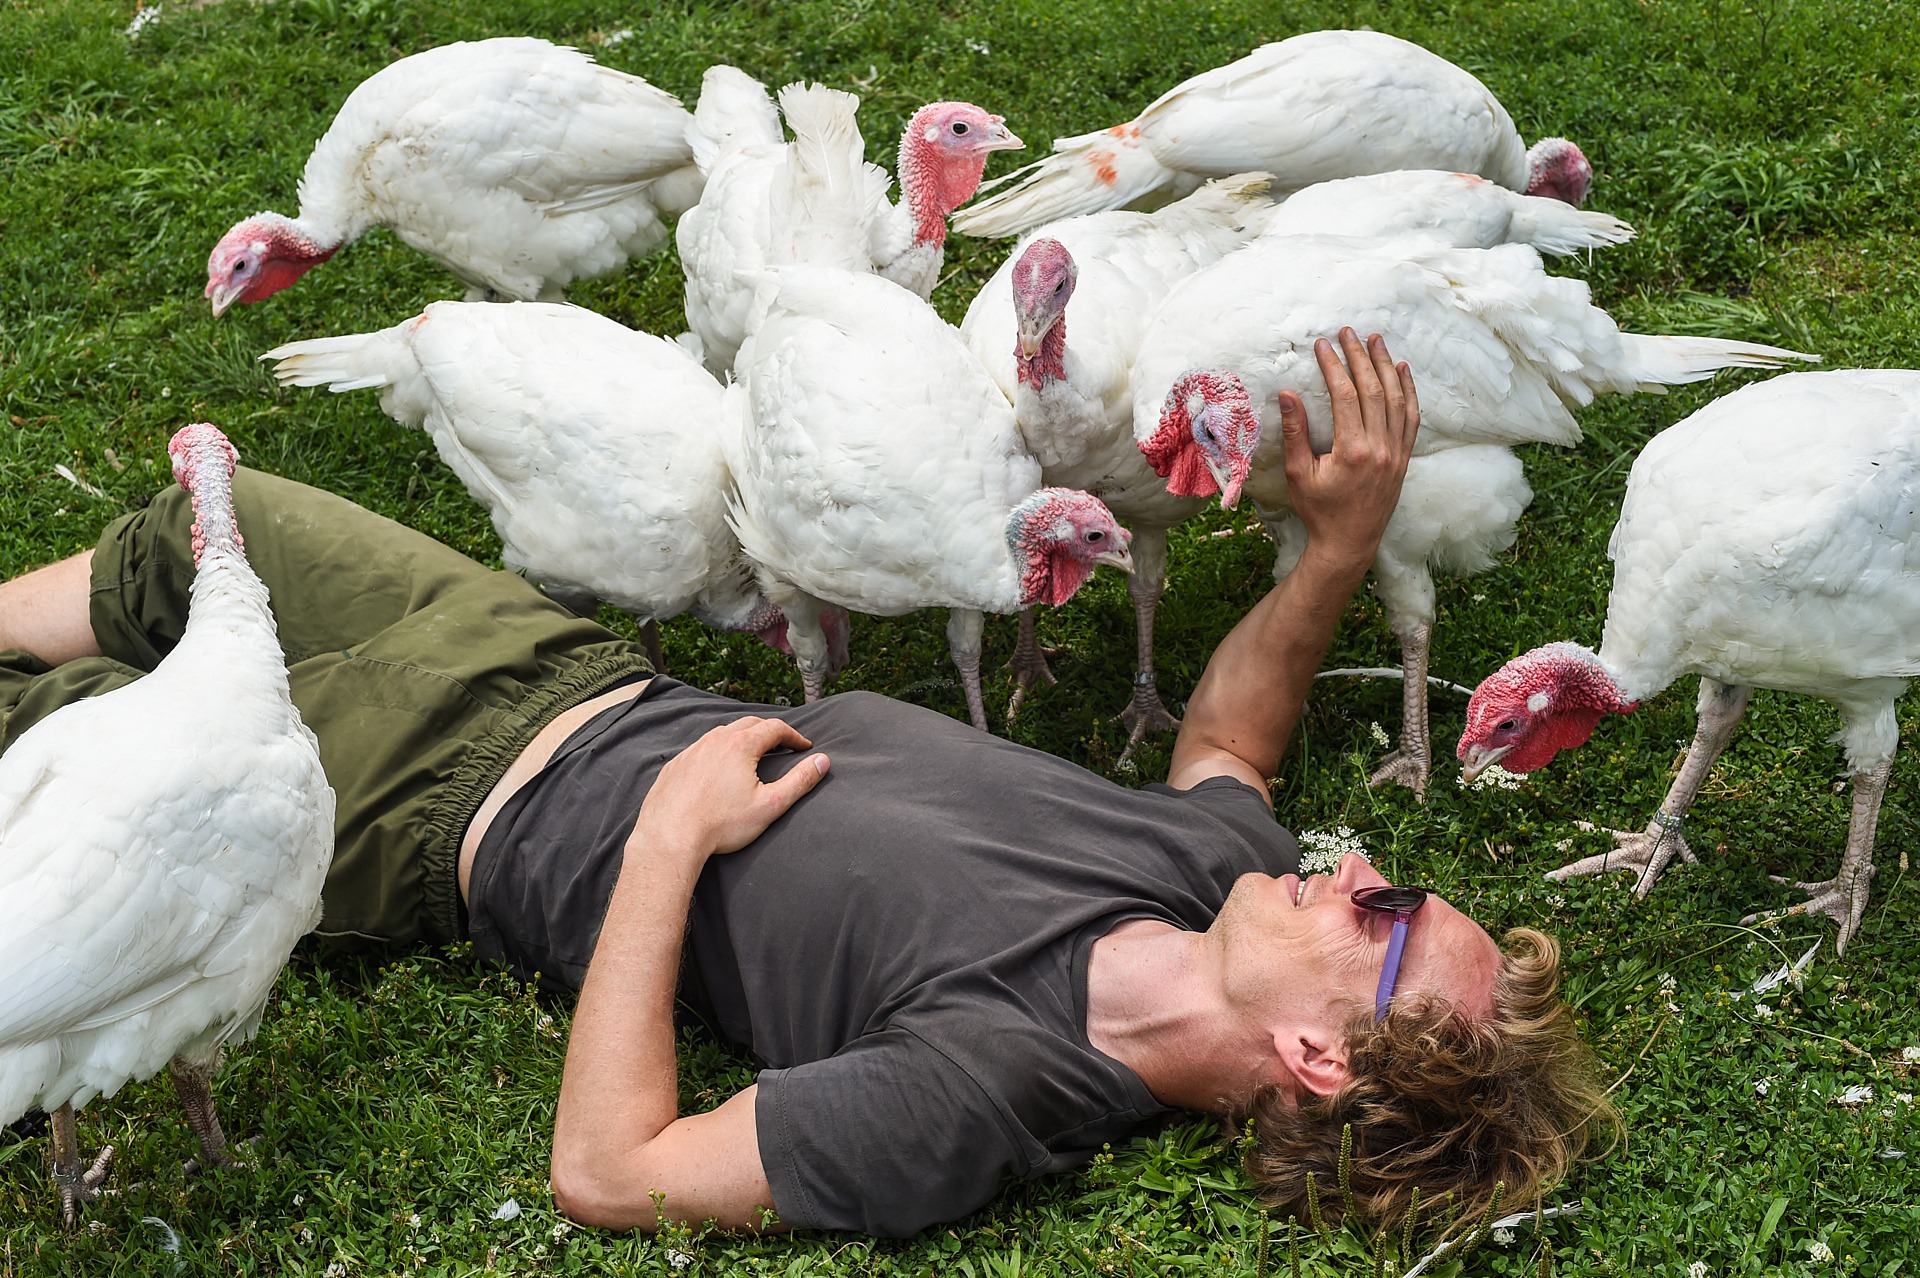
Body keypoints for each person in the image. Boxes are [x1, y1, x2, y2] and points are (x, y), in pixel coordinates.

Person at [0, 331, 1610, 1237]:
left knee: (53, 736)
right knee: (214, 531)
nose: (1357, 867)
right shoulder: (1207, 875)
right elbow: (1232, 745)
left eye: (1386, 913)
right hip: (560, 665)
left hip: (422, 810)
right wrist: (1333, 548)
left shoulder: (986, 1091)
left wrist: (668, 842)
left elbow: (612, 1170)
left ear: (1317, 1054)